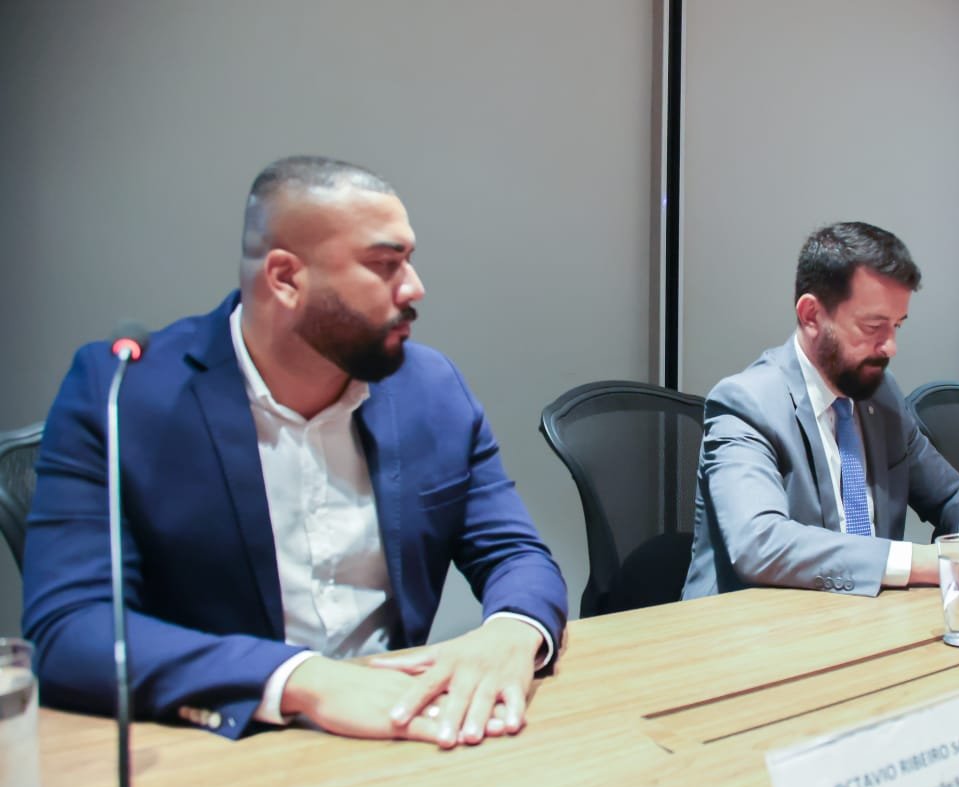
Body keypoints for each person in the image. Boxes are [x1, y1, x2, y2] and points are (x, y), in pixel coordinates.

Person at [22, 156, 567, 746]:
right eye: (385, 264)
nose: (414, 288)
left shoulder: (431, 391)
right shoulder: (121, 393)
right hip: (215, 749)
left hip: (403, 736)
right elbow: (70, 629)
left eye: (408, 260)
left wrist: (510, 634)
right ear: (285, 278)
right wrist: (302, 681)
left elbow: (514, 553)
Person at [681, 221, 959, 600]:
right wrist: (927, 561)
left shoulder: (880, 397)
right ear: (811, 315)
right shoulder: (747, 402)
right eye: (873, 327)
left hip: (859, 621)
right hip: (749, 634)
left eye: (897, 326)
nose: (890, 348)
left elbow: (949, 493)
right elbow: (760, 545)